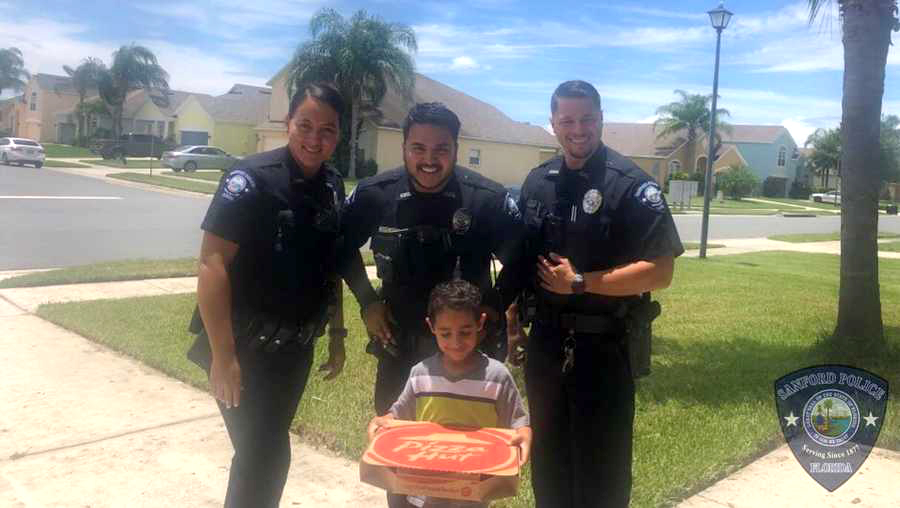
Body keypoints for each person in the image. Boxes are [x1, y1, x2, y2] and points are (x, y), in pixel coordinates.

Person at [503, 80, 684, 508]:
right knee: (549, 465)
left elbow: (661, 270)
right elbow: (521, 257)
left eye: (586, 118)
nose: (577, 128)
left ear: (601, 120)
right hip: (546, 345)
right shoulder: (537, 182)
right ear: (553, 124)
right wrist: (511, 322)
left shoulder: (630, 185)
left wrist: (581, 282)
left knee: (602, 471)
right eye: (567, 120)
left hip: (605, 348)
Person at [187, 82, 360, 508]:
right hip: (243, 349)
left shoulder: (333, 186)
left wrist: (337, 336)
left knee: (263, 453)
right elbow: (212, 265)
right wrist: (223, 357)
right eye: (305, 125)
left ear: (339, 136)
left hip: (294, 351)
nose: (314, 139)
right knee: (264, 455)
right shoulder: (250, 180)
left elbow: (332, 262)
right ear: (288, 124)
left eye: (327, 130)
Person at [367, 279, 532, 508]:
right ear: (431, 327)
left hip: (473, 491)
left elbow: (518, 421)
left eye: (465, 332)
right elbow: (398, 415)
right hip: (424, 490)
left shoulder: (496, 376)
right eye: (445, 333)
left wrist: (524, 433)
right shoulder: (420, 374)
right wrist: (385, 420)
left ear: (480, 323)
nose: (455, 342)